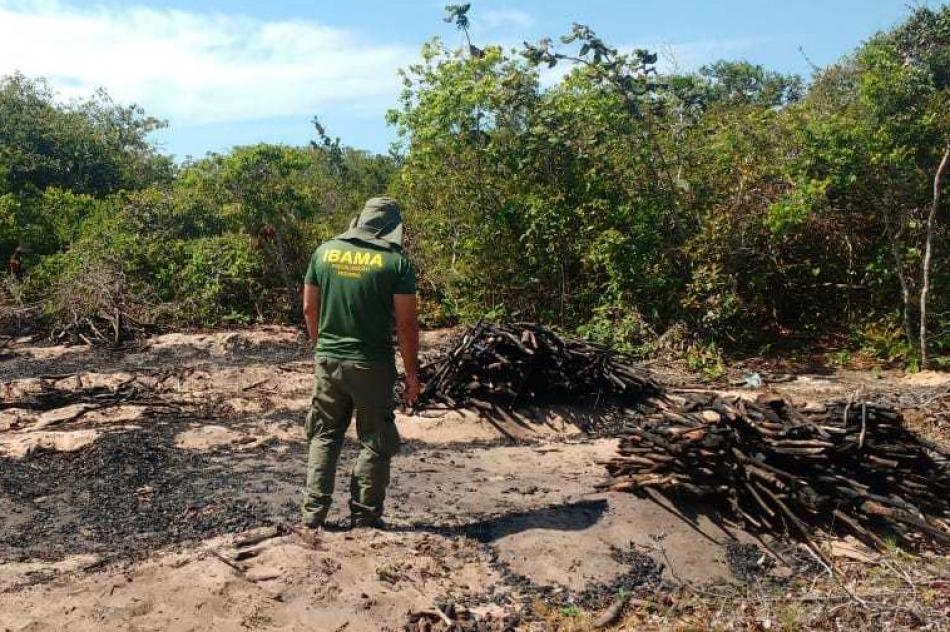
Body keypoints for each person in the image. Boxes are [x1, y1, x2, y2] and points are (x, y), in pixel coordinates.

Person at [301, 196, 419, 530]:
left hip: (329, 360)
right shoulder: (395, 263)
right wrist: (412, 375)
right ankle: (364, 514)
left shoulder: (324, 252)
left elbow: (310, 309)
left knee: (323, 434)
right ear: (391, 227)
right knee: (376, 439)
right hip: (372, 365)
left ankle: (313, 514)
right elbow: (407, 325)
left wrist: (321, 348)